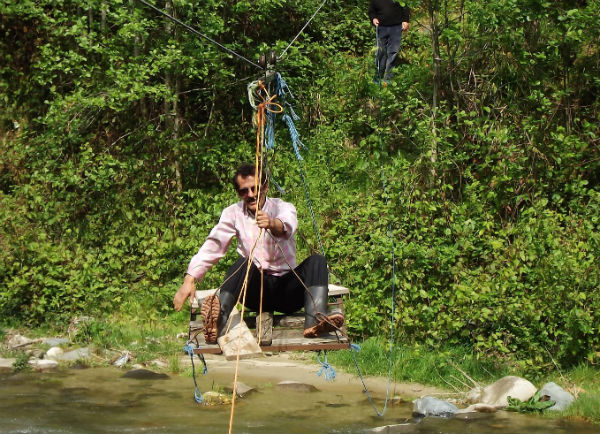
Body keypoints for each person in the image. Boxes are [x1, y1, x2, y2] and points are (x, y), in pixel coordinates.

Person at [173, 163, 344, 343]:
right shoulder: (232, 213)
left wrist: (271, 223)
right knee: (243, 263)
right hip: (255, 291)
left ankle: (316, 321)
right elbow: (214, 244)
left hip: (288, 291)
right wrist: (189, 280)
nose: (251, 195)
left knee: (317, 260)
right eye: (243, 191)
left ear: (265, 186)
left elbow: (287, 224)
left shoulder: (282, 207)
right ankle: (218, 321)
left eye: (255, 188)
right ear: (238, 193)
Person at [369, 0, 410, 82]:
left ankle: (389, 78)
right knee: (380, 52)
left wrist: (406, 20)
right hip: (381, 27)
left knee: (393, 52)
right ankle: (378, 76)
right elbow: (371, 10)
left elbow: (405, 7)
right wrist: (373, 18)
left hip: (396, 27)